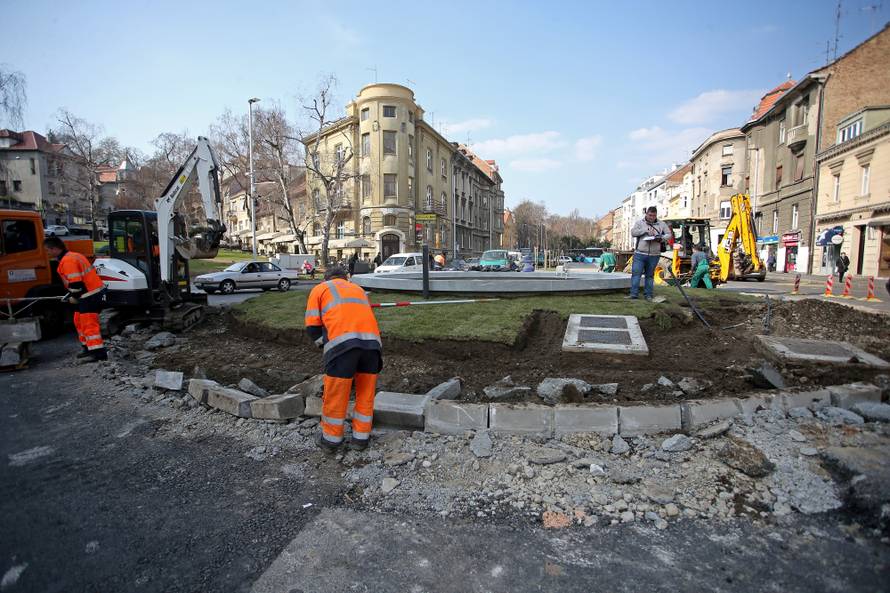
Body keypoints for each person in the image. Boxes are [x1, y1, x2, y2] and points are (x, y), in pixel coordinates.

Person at [304, 266, 382, 452]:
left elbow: (312, 327)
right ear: (345, 278)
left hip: (343, 347)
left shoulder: (320, 289)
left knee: (336, 394)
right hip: (372, 347)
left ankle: (331, 440)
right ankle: (360, 439)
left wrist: (326, 345)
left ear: (326, 278)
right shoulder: (359, 290)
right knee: (365, 393)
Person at [43, 236, 107, 362]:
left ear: (55, 249)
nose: (47, 253)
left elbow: (76, 284)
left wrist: (73, 297)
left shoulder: (68, 261)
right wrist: (72, 295)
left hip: (89, 295)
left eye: (47, 250)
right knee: (78, 320)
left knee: (88, 324)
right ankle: (88, 348)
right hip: (89, 293)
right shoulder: (73, 256)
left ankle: (98, 353)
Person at [628, 206, 671, 301]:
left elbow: (669, 234)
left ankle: (648, 295)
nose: (652, 217)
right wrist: (645, 231)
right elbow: (633, 232)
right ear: (646, 214)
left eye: (654, 215)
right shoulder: (639, 223)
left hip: (654, 254)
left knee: (650, 275)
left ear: (656, 215)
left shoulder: (661, 224)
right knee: (636, 274)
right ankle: (634, 294)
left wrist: (661, 237)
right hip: (640, 253)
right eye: (650, 215)